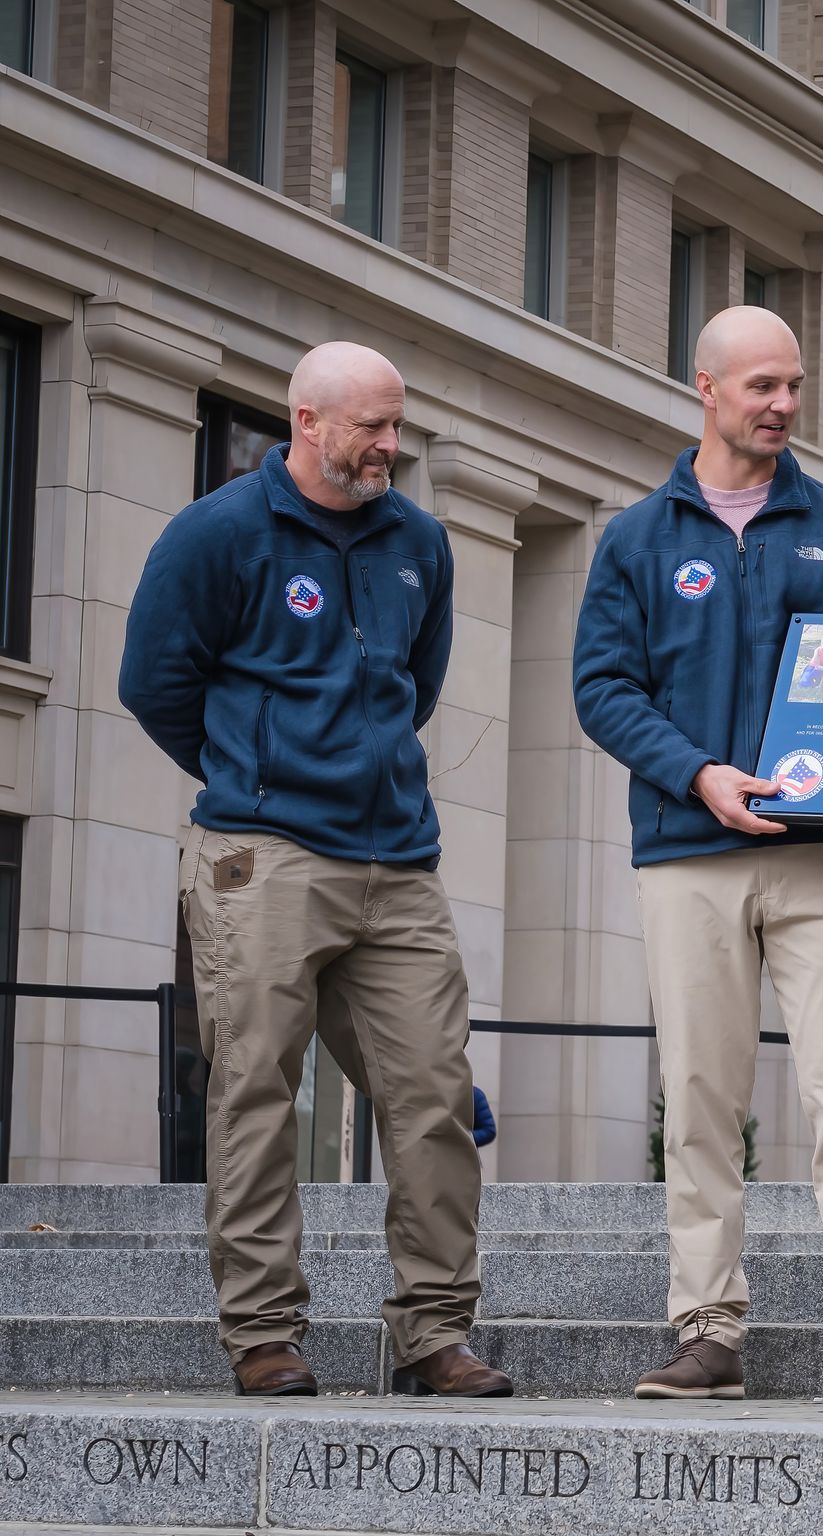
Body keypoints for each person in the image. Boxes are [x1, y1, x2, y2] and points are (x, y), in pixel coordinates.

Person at [120, 342, 509, 1400]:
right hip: (264, 852)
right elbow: (154, 683)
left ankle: (434, 1335)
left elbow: (412, 689)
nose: (392, 445)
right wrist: (256, 775)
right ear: (307, 422)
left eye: (399, 424)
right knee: (255, 1090)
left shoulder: (420, 542)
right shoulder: (217, 535)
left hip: (398, 859)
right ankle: (263, 1333)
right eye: (373, 427)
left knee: (432, 1094)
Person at [573, 306, 823, 1405]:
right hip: (689, 850)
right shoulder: (637, 539)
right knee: (702, 1097)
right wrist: (697, 774)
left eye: (794, 386)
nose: (781, 405)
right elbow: (602, 688)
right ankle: (708, 1330)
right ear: (706, 387)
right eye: (761, 385)